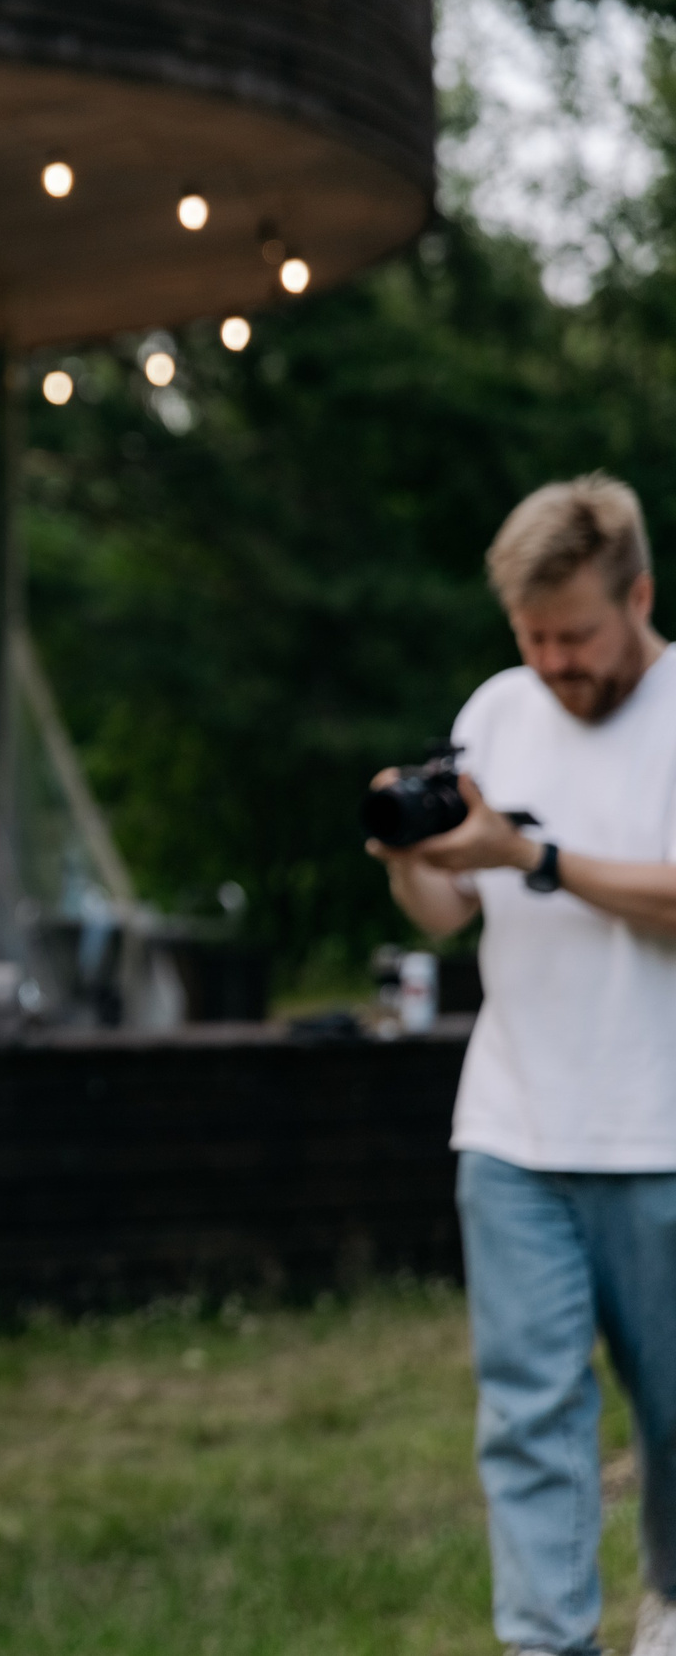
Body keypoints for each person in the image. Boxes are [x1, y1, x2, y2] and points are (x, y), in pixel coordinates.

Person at [367, 474, 676, 1656]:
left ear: (637, 593)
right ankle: (548, 1640)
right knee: (529, 1414)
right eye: (532, 636)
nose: (553, 661)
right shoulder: (497, 706)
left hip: (657, 1131)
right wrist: (409, 856)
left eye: (577, 634)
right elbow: (447, 907)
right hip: (513, 1129)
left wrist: (533, 853)